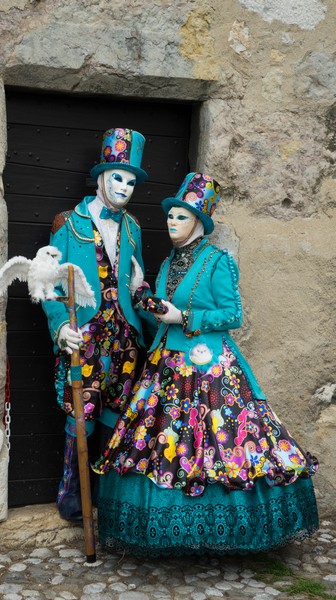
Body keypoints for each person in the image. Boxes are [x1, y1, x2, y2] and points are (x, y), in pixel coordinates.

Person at [94, 172, 319, 555]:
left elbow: (233, 314)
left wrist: (184, 318)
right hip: (166, 365)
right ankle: (165, 530)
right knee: (164, 442)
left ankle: (226, 530)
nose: (171, 223)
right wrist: (141, 293)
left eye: (181, 217)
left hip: (209, 367)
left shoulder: (218, 261)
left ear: (199, 222)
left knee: (219, 438)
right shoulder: (167, 264)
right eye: (169, 216)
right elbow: (161, 313)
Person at [42, 128, 153, 521]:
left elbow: (135, 281)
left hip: (125, 338)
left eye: (131, 181)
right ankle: (74, 497)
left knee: (117, 417)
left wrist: (144, 298)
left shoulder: (134, 228)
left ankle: (108, 497)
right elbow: (48, 282)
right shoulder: (67, 223)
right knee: (81, 416)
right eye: (117, 178)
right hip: (85, 336)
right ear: (101, 177)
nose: (124, 187)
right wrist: (59, 326)